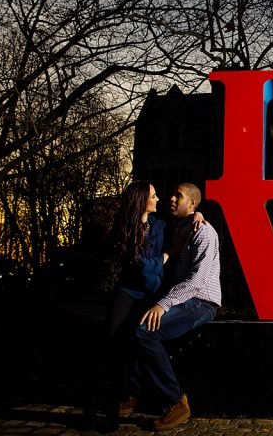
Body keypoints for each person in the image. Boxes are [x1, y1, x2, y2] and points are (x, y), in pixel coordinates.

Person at [82, 180, 203, 432]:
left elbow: (186, 221)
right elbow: (143, 266)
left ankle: (124, 404)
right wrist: (169, 255)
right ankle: (94, 408)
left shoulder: (161, 224)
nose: (158, 199)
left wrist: (198, 213)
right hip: (128, 293)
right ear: (141, 200)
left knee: (136, 343)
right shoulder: (124, 228)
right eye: (154, 195)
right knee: (111, 347)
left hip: (151, 294)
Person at [128, 182, 221, 431]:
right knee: (138, 326)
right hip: (184, 300)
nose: (170, 198)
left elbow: (197, 281)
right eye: (170, 194)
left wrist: (163, 304)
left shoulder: (203, 231)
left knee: (145, 330)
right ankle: (133, 394)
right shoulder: (181, 228)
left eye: (178, 196)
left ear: (191, 203)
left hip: (202, 301)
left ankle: (177, 401)